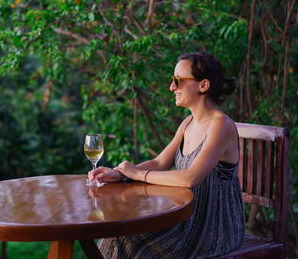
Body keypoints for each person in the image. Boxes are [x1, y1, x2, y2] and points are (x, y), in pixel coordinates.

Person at [88, 51, 245, 258]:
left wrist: (136, 173)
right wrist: (119, 173)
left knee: (131, 241)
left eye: (178, 80)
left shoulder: (221, 125)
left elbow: (190, 177)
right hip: (185, 220)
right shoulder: (188, 123)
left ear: (203, 85)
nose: (172, 87)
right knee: (116, 232)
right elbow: (160, 161)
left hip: (215, 228)